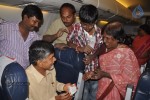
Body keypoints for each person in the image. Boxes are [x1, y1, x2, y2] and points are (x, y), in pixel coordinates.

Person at [90, 21, 140, 100]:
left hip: (115, 91)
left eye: (108, 38)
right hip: (102, 87)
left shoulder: (126, 53)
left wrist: (105, 74)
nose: (104, 41)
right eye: (103, 37)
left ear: (118, 39)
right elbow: (103, 66)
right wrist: (95, 72)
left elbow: (130, 79)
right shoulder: (105, 48)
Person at [67, 4, 104, 100]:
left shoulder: (99, 31)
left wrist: (92, 56)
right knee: (82, 94)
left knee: (94, 94)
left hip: (94, 69)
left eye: (90, 24)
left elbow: (101, 47)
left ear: (95, 21)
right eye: (84, 24)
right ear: (80, 20)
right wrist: (80, 48)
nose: (87, 27)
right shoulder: (75, 28)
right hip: (80, 69)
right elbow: (68, 42)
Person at [0, 5, 43, 69]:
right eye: (34, 21)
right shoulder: (6, 28)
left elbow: (43, 40)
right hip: (6, 71)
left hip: (25, 72)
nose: (37, 25)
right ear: (25, 17)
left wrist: (55, 41)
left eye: (38, 23)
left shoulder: (34, 35)